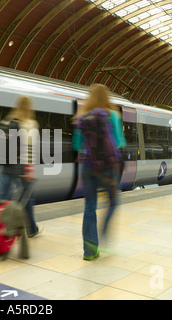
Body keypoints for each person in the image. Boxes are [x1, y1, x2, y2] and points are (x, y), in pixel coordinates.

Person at [72, 84, 126, 261]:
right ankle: (103, 233)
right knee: (113, 202)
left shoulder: (82, 116)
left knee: (89, 206)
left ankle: (89, 250)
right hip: (109, 167)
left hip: (88, 166)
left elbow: (76, 145)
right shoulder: (114, 115)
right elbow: (119, 142)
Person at [0, 95, 42, 238]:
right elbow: (29, 149)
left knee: (3, 198)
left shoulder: (7, 120)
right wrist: (29, 171)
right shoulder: (30, 123)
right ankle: (32, 229)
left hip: (5, 165)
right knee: (28, 199)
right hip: (21, 166)